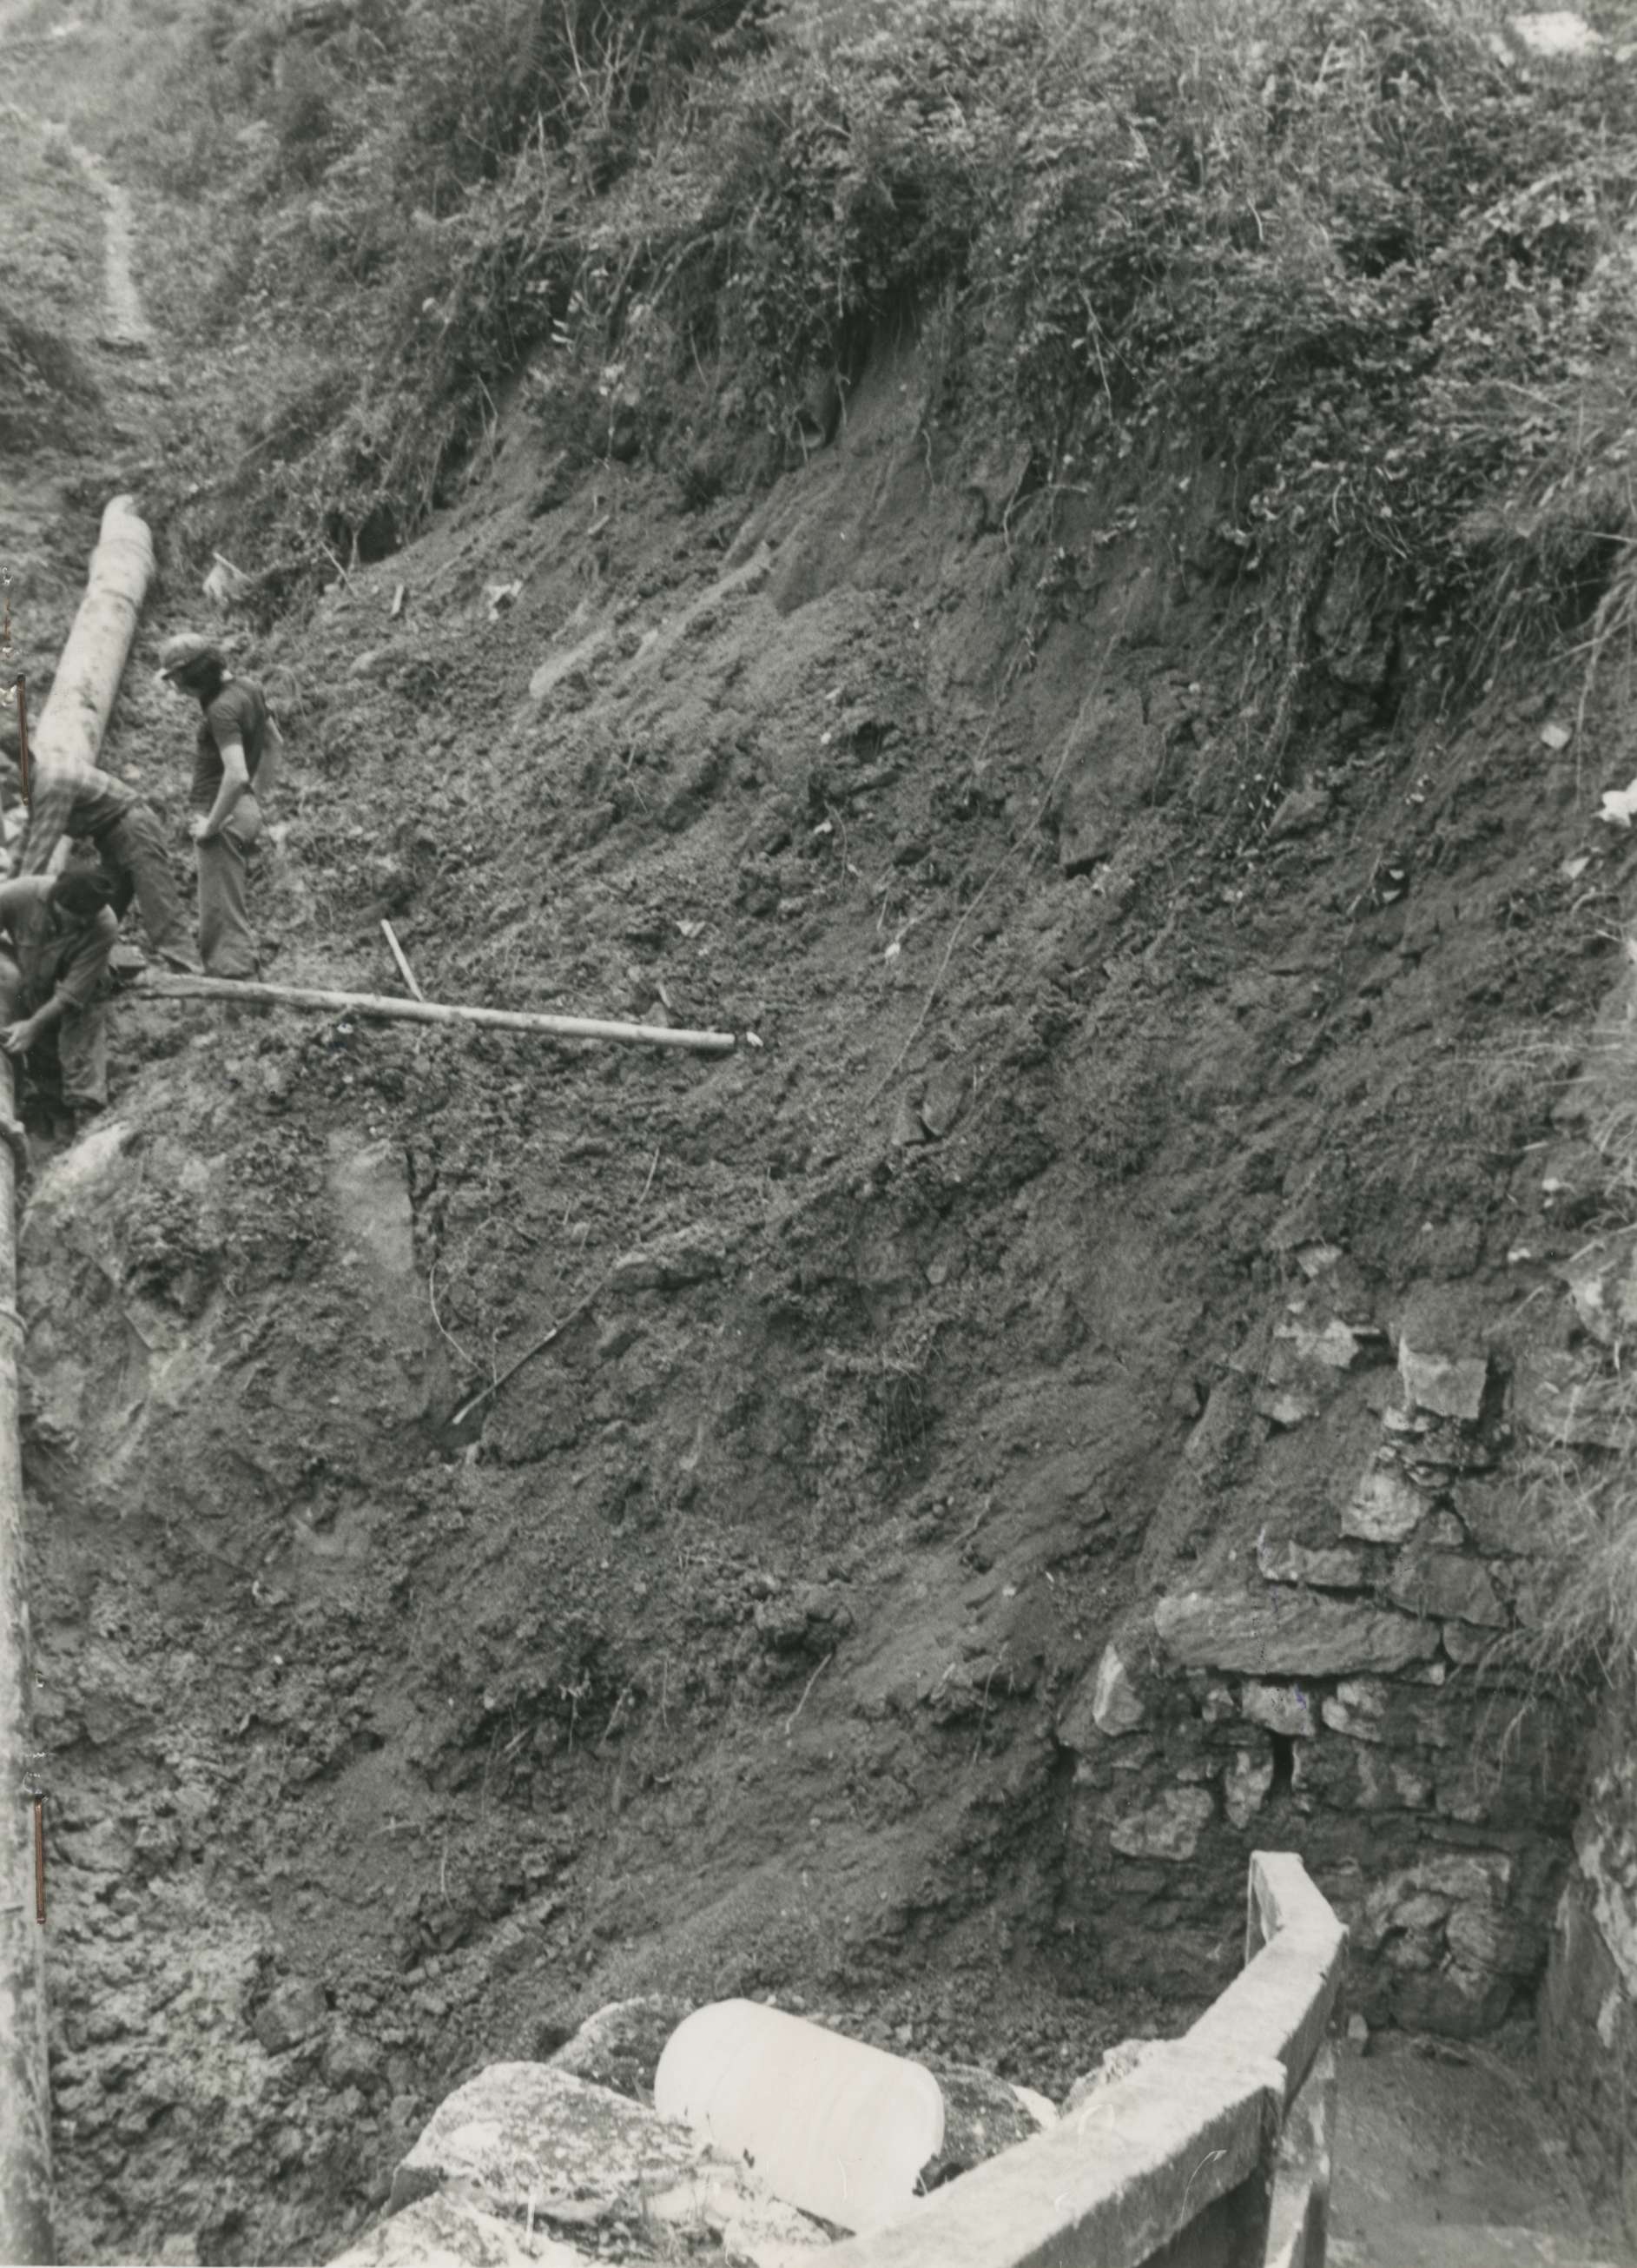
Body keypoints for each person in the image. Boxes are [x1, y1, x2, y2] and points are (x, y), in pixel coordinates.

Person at [155, 631, 275, 979]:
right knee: (229, 902)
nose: (177, 688)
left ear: (194, 673)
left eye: (178, 679)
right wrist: (255, 797)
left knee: (221, 909)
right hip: (241, 810)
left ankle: (233, 982)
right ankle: (239, 975)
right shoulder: (249, 688)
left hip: (223, 817)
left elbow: (235, 774)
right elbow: (274, 743)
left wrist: (211, 824)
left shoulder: (221, 709)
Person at [15, 758, 200, 973]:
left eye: (4, 769)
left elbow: (40, 851)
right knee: (96, 912)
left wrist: (17, 905)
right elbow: (26, 842)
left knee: (160, 910)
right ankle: (89, 975)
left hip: (135, 829)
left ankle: (193, 977)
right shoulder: (34, 787)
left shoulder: (52, 782)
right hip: (111, 839)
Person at [0, 870, 120, 1136]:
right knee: (40, 1041)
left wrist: (33, 1025)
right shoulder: (17, 895)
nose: (84, 923)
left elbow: (72, 994)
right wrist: (33, 1025)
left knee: (80, 1036)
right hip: (35, 975)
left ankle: (86, 1115)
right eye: (78, 917)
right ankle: (55, 1110)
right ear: (57, 904)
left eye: (89, 918)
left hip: (85, 982)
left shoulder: (103, 925)